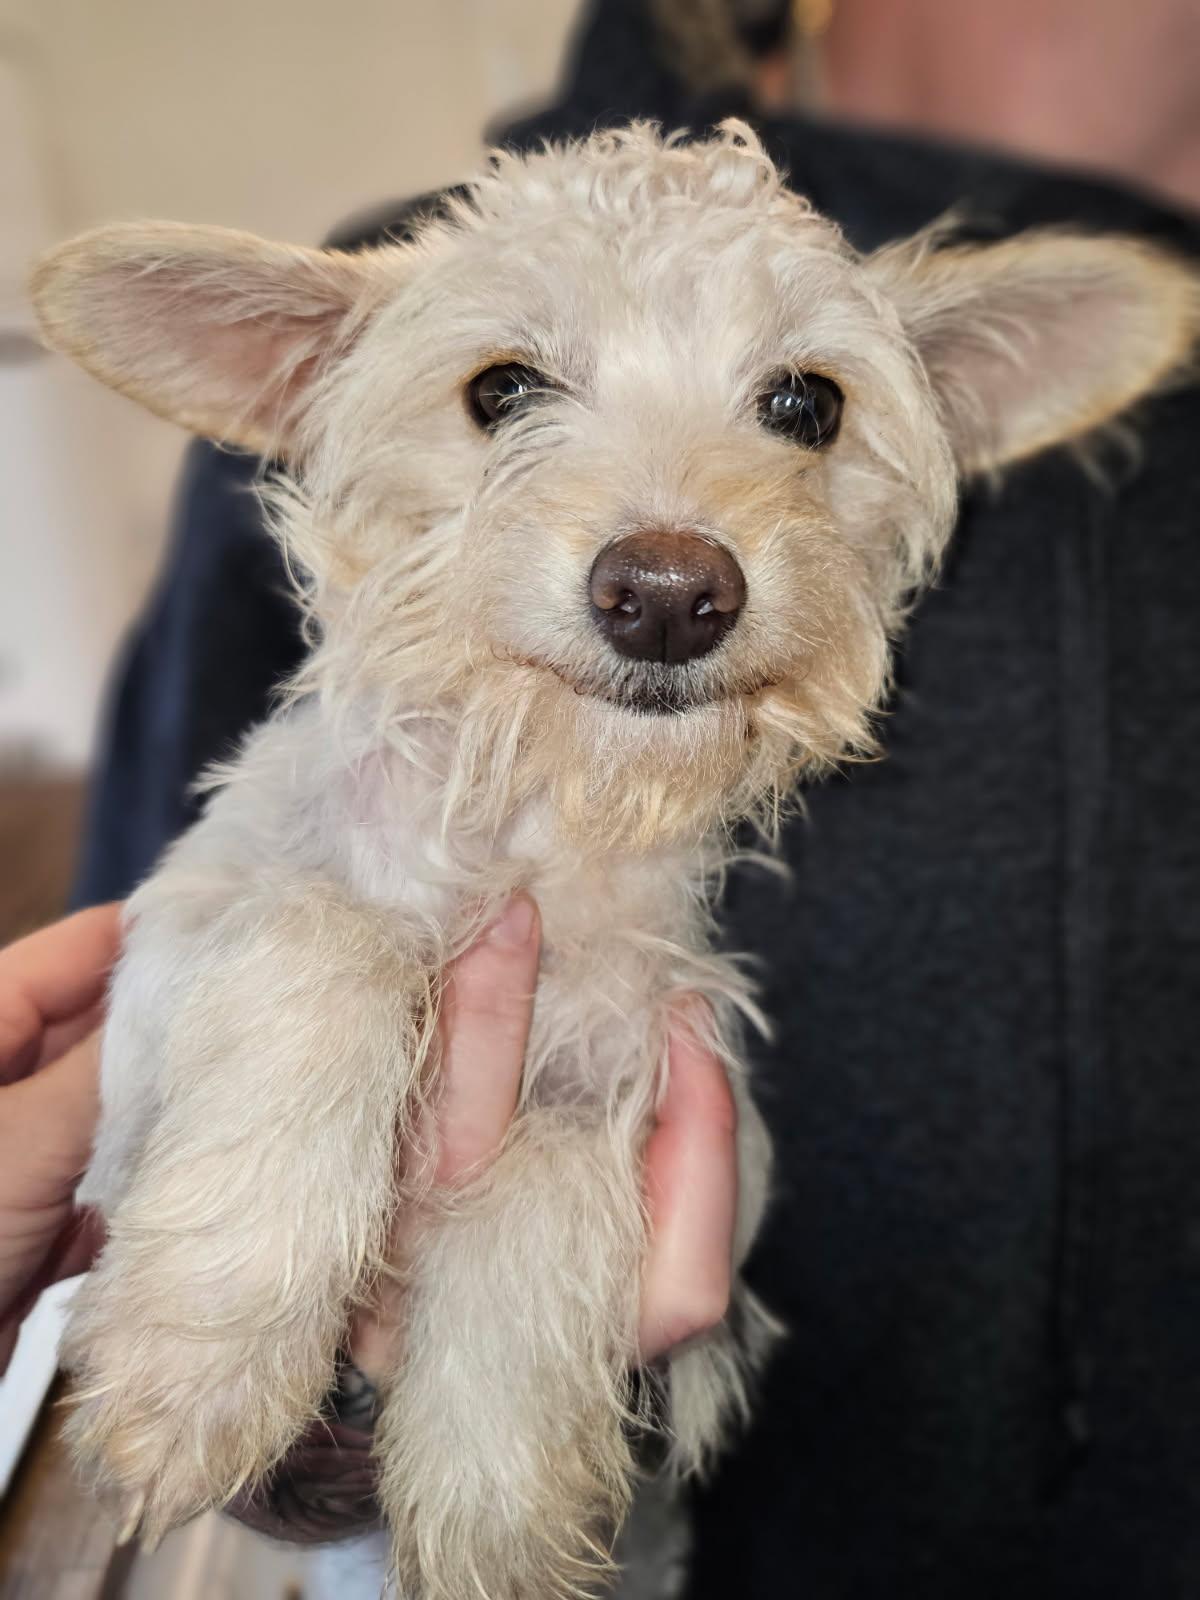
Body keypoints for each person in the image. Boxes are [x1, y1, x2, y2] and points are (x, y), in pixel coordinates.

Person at [47, 1, 1200, 1596]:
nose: (674, 553)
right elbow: (102, 1094)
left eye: (799, 409)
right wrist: (320, 1448)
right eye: (511, 391)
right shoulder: (413, 277)